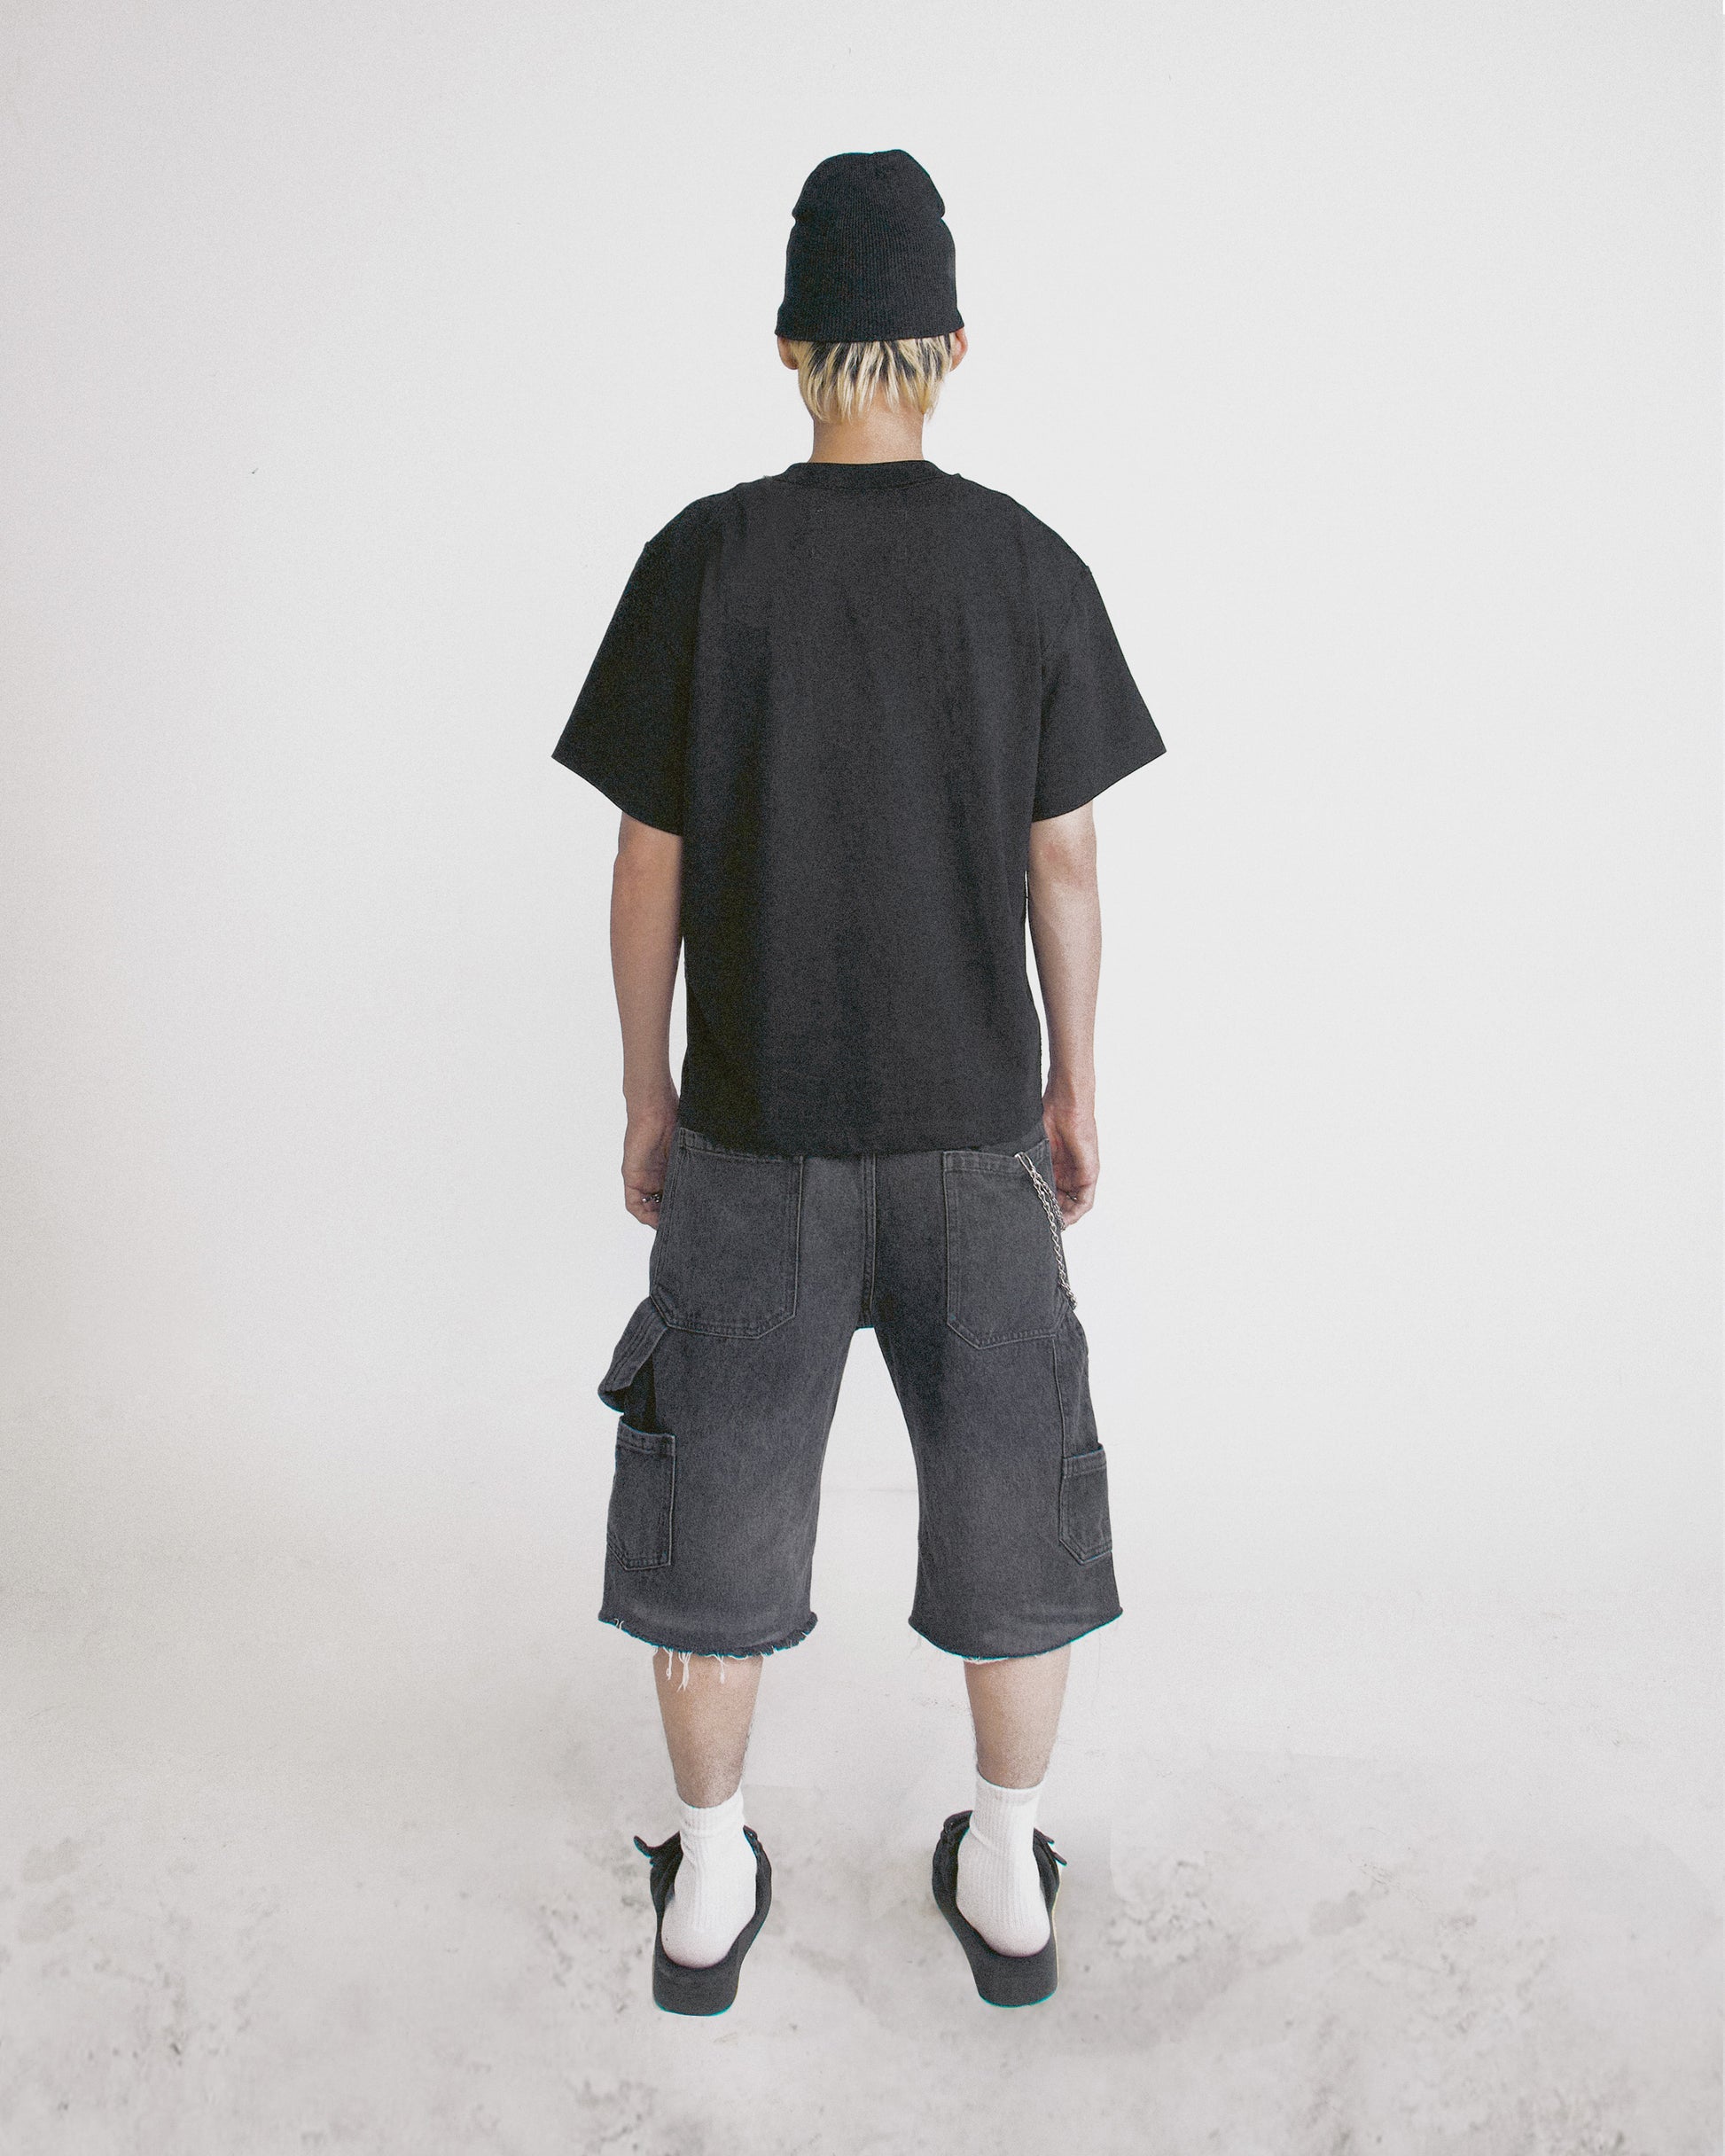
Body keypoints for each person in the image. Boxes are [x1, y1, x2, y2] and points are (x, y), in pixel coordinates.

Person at [552, 148, 1165, 2016]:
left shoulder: (703, 560)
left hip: (754, 1137)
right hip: (975, 1138)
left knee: (713, 1524)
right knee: (1010, 1516)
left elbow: (643, 862)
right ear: (953, 346)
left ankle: (708, 1880)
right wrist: (1073, 1084)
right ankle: (1004, 1869)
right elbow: (1064, 863)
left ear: (787, 347)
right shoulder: (1028, 566)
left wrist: (644, 1095)